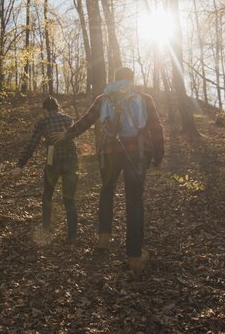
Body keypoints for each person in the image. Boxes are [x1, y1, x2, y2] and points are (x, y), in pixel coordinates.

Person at [52, 67, 164, 271]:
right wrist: (158, 155)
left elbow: (86, 121)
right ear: (131, 80)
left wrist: (67, 134)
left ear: (114, 80)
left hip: (109, 152)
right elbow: (156, 127)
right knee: (135, 202)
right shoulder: (144, 98)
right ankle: (135, 257)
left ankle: (103, 238)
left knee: (106, 191)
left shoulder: (103, 98)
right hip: (137, 152)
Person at [13, 96, 79, 242]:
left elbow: (32, 143)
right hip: (72, 162)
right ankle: (72, 236)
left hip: (53, 163)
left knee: (47, 195)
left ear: (45, 110)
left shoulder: (43, 122)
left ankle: (46, 229)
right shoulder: (69, 119)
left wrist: (20, 164)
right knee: (70, 199)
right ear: (57, 107)